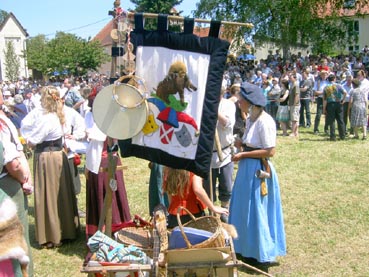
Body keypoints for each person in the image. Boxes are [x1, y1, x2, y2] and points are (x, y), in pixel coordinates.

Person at [229, 82, 286, 265]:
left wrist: (243, 154)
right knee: (244, 209)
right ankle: (244, 248)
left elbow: (270, 151)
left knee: (257, 211)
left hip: (257, 171)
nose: (239, 103)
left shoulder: (265, 121)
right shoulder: (251, 119)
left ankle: (260, 253)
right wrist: (240, 144)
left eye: (242, 101)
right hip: (246, 168)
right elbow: (252, 142)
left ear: (251, 103)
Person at [20, 86, 80, 248]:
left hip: (48, 157)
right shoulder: (59, 114)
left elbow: (34, 140)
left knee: (49, 195)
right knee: (61, 194)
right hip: (59, 155)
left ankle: (53, 234)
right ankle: (66, 229)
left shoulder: (47, 118)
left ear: (45, 99)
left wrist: (26, 141)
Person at [84, 89, 131, 240]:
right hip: (97, 161)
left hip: (111, 158)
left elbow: (117, 134)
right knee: (100, 193)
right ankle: (101, 227)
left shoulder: (114, 116)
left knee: (113, 192)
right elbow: (92, 135)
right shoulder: (90, 117)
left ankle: (117, 227)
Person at [0, 92, 34, 276]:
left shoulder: (4, 118)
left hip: (11, 180)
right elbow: (11, 163)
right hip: (6, 185)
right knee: (13, 242)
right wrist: (23, 177)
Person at [203, 87, 235, 223]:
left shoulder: (228, 105)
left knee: (226, 185)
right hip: (208, 153)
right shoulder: (204, 104)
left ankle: (225, 210)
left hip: (225, 153)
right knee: (207, 187)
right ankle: (210, 213)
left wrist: (213, 109)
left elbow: (227, 123)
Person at [163, 167, 229, 229]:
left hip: (174, 216)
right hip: (193, 214)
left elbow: (169, 193)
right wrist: (213, 208)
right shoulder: (194, 168)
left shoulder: (168, 169)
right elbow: (198, 189)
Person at [323, 74, 347, 141]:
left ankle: (333, 136)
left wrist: (324, 109)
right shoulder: (339, 85)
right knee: (340, 120)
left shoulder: (326, 87)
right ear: (334, 79)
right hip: (339, 103)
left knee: (332, 121)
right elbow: (345, 92)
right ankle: (342, 135)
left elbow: (324, 99)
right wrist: (343, 100)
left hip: (330, 104)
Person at [313, 70, 330, 135]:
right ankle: (316, 129)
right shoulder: (318, 82)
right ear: (320, 75)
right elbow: (315, 92)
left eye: (325, 74)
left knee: (327, 115)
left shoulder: (328, 82)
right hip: (320, 99)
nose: (324, 76)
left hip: (327, 99)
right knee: (318, 114)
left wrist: (321, 92)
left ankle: (326, 129)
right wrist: (324, 92)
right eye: (322, 74)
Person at [288, 73, 300, 137]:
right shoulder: (292, 85)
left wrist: (295, 104)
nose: (290, 78)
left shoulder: (296, 85)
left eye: (291, 77)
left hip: (294, 105)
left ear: (295, 78)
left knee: (294, 119)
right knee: (294, 118)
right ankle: (296, 132)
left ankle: (293, 132)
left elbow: (297, 95)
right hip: (292, 104)